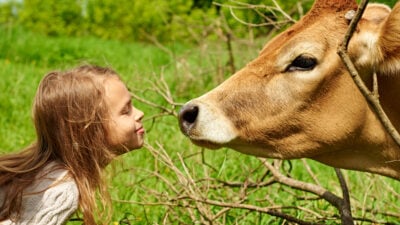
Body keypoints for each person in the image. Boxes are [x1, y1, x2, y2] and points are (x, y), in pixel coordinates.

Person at [0, 65, 145, 225]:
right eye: (125, 111)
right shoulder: (63, 191)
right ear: (88, 131)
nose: (140, 113)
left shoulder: (55, 172)